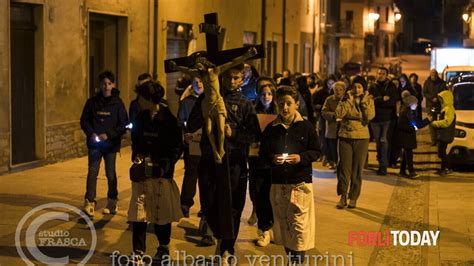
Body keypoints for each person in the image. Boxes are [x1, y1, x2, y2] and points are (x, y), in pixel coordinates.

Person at [259, 85, 318, 265]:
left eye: (288, 103)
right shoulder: (271, 128)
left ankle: (298, 262)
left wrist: (301, 157)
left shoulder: (306, 127)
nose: (284, 107)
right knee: (284, 226)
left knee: (299, 227)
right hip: (278, 183)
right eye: (281, 104)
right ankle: (290, 261)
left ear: (297, 105)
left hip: (299, 183)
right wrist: (272, 159)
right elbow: (263, 153)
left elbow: (316, 151)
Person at [127, 81, 184, 263]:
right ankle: (138, 251)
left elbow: (177, 147)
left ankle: (163, 247)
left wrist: (166, 164)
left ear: (150, 99)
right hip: (143, 173)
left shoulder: (169, 120)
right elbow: (136, 142)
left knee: (161, 214)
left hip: (161, 174)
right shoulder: (140, 118)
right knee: (139, 213)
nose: (138, 100)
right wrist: (137, 156)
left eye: (141, 97)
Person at [170, 47, 257, 163]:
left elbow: (254, 134)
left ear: (241, 79)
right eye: (227, 77)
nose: (231, 81)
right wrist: (190, 134)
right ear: (222, 76)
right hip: (207, 157)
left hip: (234, 160)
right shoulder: (204, 98)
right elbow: (192, 123)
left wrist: (234, 133)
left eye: (235, 78)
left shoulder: (245, 103)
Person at [80, 70, 128, 217]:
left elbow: (123, 124)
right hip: (95, 145)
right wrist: (92, 134)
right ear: (99, 85)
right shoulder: (92, 103)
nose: (106, 86)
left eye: (109, 83)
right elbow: (84, 121)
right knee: (92, 172)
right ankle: (89, 202)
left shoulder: (118, 104)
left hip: (111, 146)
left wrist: (109, 135)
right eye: (103, 84)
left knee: (110, 173)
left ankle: (112, 201)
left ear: (113, 85)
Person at [336, 76, 375, 209]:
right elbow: (339, 114)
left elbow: (369, 117)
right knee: (344, 168)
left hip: (362, 137)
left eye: (360, 87)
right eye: (355, 86)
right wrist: (348, 101)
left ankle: (353, 197)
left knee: (357, 170)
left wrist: (363, 102)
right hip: (345, 136)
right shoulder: (346, 98)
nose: (357, 89)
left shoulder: (369, 100)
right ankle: (342, 196)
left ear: (364, 89)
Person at [248, 77, 278, 247]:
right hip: (257, 159)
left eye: (269, 94)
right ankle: (264, 230)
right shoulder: (252, 113)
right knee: (258, 193)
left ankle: (273, 227)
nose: (266, 96)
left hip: (273, 161)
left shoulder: (280, 113)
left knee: (272, 195)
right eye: (263, 94)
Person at [177, 77, 204, 218]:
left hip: (207, 144)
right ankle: (185, 204)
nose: (198, 85)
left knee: (206, 176)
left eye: (201, 81)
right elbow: (180, 121)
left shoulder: (211, 100)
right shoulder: (186, 102)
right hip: (192, 143)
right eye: (195, 83)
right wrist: (185, 133)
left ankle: (205, 207)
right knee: (191, 173)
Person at [369, 67, 399, 175]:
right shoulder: (372, 86)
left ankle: (383, 166)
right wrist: (382, 99)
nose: (380, 75)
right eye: (379, 73)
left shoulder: (391, 86)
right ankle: (380, 160)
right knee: (378, 142)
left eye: (383, 73)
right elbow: (370, 101)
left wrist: (377, 100)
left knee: (384, 142)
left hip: (387, 119)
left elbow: (392, 102)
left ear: (386, 75)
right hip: (375, 119)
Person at [396, 91, 430, 179]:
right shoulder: (405, 113)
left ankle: (402, 171)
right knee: (408, 155)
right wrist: (413, 128)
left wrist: (427, 120)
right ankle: (411, 171)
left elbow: (417, 124)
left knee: (406, 154)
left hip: (408, 137)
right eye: (416, 103)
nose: (417, 105)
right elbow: (401, 125)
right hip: (406, 137)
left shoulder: (410, 112)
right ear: (410, 104)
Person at [428, 90, 456, 176]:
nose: (440, 100)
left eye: (441, 99)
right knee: (442, 152)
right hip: (444, 134)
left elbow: (447, 122)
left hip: (446, 134)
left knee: (442, 152)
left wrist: (435, 123)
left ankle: (446, 168)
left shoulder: (449, 109)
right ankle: (444, 168)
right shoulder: (445, 108)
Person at [322, 81, 346, 169]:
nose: (338, 92)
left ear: (344, 90)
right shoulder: (329, 99)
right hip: (332, 127)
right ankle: (333, 161)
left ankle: (341, 163)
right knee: (332, 146)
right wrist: (334, 115)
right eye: (336, 90)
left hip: (344, 128)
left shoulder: (347, 100)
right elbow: (324, 112)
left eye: (340, 90)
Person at [313, 75, 336, 165]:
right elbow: (315, 104)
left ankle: (330, 158)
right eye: (329, 83)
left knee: (332, 139)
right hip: (322, 117)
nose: (330, 85)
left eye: (332, 83)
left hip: (333, 119)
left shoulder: (336, 93)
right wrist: (322, 107)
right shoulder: (321, 92)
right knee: (323, 137)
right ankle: (324, 155)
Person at [423, 69, 447, 145]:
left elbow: (445, 92)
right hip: (430, 105)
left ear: (437, 75)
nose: (433, 76)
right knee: (431, 122)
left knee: (439, 122)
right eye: (432, 74)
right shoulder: (427, 82)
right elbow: (424, 92)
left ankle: (439, 138)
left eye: (434, 74)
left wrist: (438, 98)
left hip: (440, 105)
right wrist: (432, 98)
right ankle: (434, 140)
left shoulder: (442, 83)